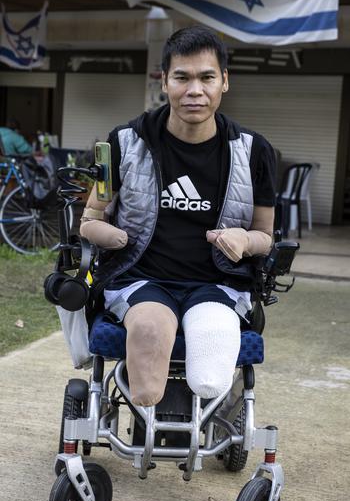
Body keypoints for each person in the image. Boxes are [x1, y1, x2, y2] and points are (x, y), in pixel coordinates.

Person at [80, 26, 276, 407]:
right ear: (165, 81)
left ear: (224, 82)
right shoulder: (123, 143)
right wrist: (112, 235)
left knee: (210, 359)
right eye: (182, 77)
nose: (194, 90)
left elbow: (265, 235)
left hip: (218, 283)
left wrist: (244, 240)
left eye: (207, 77)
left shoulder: (254, 151)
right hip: (141, 279)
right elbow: (89, 218)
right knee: (150, 336)